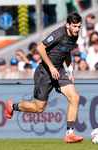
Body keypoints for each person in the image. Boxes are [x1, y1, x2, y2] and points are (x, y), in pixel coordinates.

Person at [5, 12, 84, 143]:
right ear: (67, 25)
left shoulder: (74, 36)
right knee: (39, 108)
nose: (77, 29)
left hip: (59, 71)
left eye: (79, 26)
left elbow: (67, 50)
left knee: (75, 98)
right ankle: (12, 106)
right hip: (45, 73)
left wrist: (70, 69)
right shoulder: (58, 34)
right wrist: (51, 67)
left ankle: (70, 133)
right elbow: (40, 48)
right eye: (74, 26)